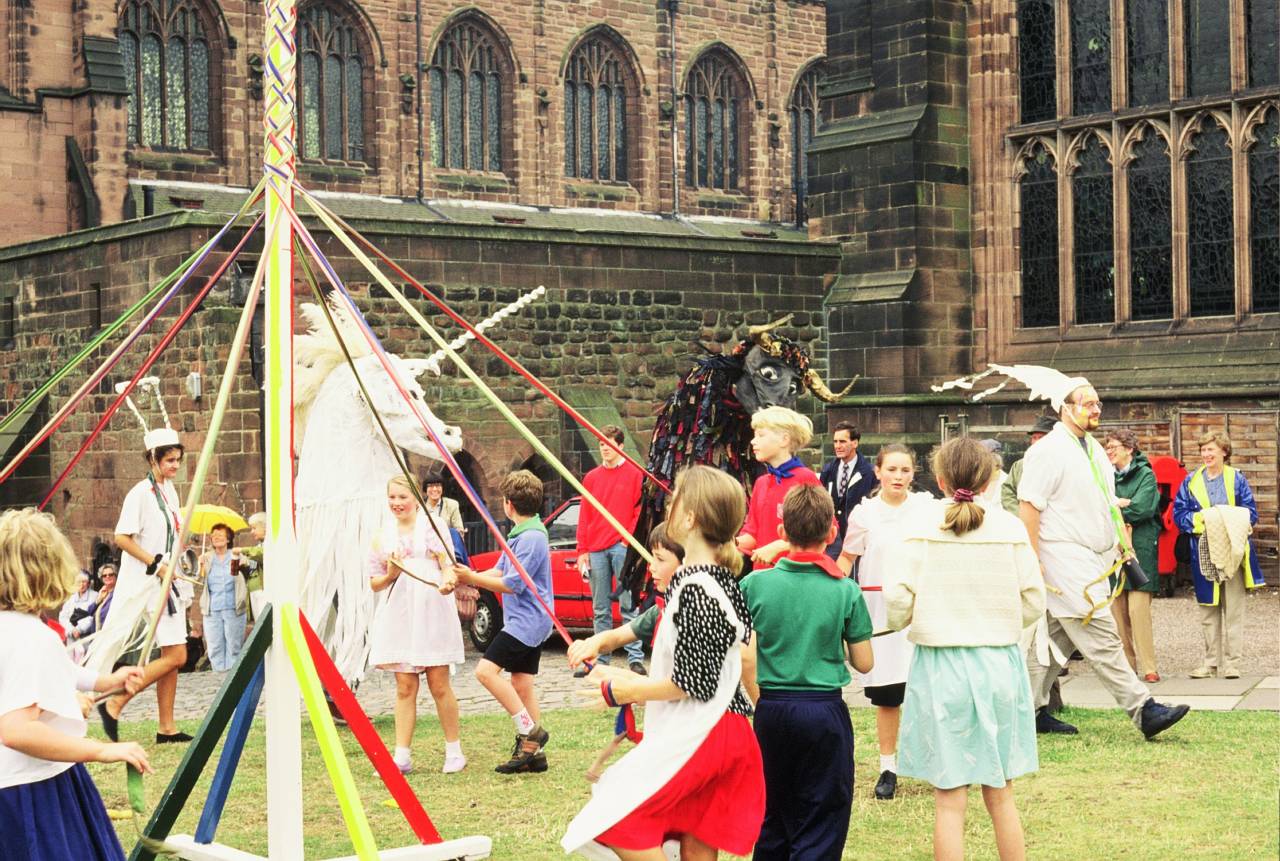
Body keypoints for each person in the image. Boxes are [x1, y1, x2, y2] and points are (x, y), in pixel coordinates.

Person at [561, 465, 765, 861]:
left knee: (614, 818)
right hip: (727, 728)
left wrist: (625, 687)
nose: (668, 507)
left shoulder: (696, 589)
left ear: (689, 518)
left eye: (674, 502)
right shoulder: (720, 581)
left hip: (707, 730)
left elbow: (695, 682)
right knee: (695, 835)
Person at [885, 437, 1045, 861]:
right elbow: (1033, 599)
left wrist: (925, 614)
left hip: (941, 664)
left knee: (949, 798)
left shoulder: (919, 527)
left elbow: (897, 601)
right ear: (993, 478)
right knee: (1001, 794)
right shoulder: (1009, 528)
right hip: (997, 662)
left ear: (938, 480)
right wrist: (998, 618)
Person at [1018, 379, 1189, 739]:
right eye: (1088, 403)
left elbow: (1106, 502)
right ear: (1065, 407)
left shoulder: (1093, 449)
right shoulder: (1047, 451)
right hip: (1062, 556)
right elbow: (1029, 505)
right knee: (1101, 632)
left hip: (1094, 557)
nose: (1096, 409)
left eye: (1098, 403)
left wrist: (1120, 542)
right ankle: (1143, 709)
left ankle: (1028, 709)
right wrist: (1033, 557)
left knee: (1054, 639)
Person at [0, 508, 152, 861]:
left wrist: (104, 680)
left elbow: (51, 671)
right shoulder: (31, 637)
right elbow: (16, 729)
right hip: (33, 793)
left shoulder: (14, 631)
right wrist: (102, 750)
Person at [742, 485, 873, 860]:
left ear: (781, 534)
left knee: (773, 812)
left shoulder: (754, 585)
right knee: (822, 815)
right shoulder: (845, 590)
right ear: (833, 533)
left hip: (772, 709)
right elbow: (864, 662)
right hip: (823, 711)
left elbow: (743, 650)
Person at [835, 443, 934, 800]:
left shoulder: (926, 508)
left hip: (919, 608)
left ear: (913, 474)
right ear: (878, 472)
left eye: (905, 470)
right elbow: (847, 558)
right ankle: (887, 766)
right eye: (891, 469)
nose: (898, 476)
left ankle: (934, 763)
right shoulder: (865, 514)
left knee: (926, 690)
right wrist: (829, 588)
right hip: (878, 610)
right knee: (888, 695)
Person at [93, 427, 195, 744]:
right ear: (153, 459)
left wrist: (181, 559)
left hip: (169, 581)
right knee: (177, 655)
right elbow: (122, 538)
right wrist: (155, 563)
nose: (175, 466)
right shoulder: (139, 493)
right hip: (150, 585)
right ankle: (116, 700)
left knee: (172, 651)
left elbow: (170, 535)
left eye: (178, 460)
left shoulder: (171, 492)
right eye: (169, 461)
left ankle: (167, 727)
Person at [451, 470, 554, 774]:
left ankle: (529, 731)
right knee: (522, 684)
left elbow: (513, 584)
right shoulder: (521, 534)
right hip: (527, 619)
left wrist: (471, 578)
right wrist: (469, 576)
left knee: (485, 671)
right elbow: (498, 572)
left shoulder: (533, 537)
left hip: (527, 622)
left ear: (508, 504)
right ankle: (534, 754)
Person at [368, 475, 466, 775]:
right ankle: (401, 755)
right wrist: (390, 574)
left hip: (431, 608)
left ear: (416, 498)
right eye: (392, 498)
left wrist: (449, 581)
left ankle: (454, 751)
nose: (397, 503)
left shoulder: (432, 526)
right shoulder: (382, 535)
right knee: (405, 685)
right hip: (401, 612)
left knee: (438, 683)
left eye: (403, 497)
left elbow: (448, 564)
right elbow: (375, 582)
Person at [1173, 432, 1266, 680]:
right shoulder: (1191, 481)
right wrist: (1201, 520)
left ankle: (1233, 664)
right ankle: (1210, 663)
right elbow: (1179, 514)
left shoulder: (1236, 479)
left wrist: (1223, 520)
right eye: (1203, 450)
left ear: (1224, 451)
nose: (1206, 455)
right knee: (1208, 609)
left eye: (1211, 450)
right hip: (1203, 551)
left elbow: (1251, 512)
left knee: (1234, 609)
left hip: (1233, 551)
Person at [575, 424, 646, 675]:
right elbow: (584, 515)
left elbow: (640, 511)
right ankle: (599, 660)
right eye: (602, 444)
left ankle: (635, 658)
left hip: (622, 547)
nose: (605, 447)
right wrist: (582, 550)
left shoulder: (635, 474)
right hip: (596, 548)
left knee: (628, 604)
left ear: (621, 446)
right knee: (600, 609)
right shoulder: (592, 478)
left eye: (609, 443)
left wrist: (628, 541)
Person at [569, 522, 684, 672]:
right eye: (652, 558)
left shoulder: (691, 610)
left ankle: (635, 661)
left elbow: (683, 685)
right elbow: (617, 636)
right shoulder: (660, 609)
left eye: (660, 559)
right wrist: (592, 643)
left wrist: (628, 686)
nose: (651, 567)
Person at [1103, 429, 1162, 682]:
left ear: (1129, 449)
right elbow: (1100, 507)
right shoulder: (1105, 476)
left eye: (1114, 446)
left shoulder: (1146, 474)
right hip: (1113, 548)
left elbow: (1143, 509)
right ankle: (1127, 667)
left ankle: (1149, 667)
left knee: (1139, 610)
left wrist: (1117, 506)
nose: (1109, 451)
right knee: (1118, 611)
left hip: (1141, 548)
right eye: (1107, 447)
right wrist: (1120, 504)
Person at [736, 406, 822, 566]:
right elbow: (752, 534)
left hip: (795, 577)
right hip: (762, 578)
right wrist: (725, 543)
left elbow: (823, 534)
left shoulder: (805, 478)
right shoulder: (761, 483)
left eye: (761, 435)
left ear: (784, 439)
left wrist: (779, 547)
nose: (753, 441)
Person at [819, 421, 878, 559]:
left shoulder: (869, 473)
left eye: (842, 441)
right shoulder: (828, 470)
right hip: (832, 540)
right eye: (835, 442)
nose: (837, 446)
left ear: (855, 443)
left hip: (858, 539)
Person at [198, 523, 248, 672]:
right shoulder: (206, 558)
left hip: (234, 607)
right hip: (212, 609)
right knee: (215, 647)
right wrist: (199, 565)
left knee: (234, 646)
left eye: (220, 534)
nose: (216, 537)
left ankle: (232, 678)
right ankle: (218, 679)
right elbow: (198, 580)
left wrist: (242, 563)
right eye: (214, 535)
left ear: (228, 539)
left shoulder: (236, 555)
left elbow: (248, 570)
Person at [1000, 415, 1056, 516]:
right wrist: (1020, 514)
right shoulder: (1020, 465)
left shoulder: (1061, 465)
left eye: (1041, 438)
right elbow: (1008, 492)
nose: (1036, 441)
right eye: (1034, 438)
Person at [241, 512, 267, 621]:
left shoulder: (269, 544)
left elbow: (261, 554)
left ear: (264, 527)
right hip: (253, 591)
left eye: (254, 528)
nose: (252, 532)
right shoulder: (257, 546)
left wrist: (241, 550)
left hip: (264, 592)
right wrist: (245, 564)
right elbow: (252, 570)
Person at [59, 571, 97, 642]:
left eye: (84, 582)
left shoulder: (95, 596)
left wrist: (79, 629)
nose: (81, 585)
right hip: (71, 635)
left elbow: (93, 616)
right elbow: (63, 616)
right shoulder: (71, 598)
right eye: (79, 582)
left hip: (86, 636)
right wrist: (71, 630)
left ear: (88, 583)